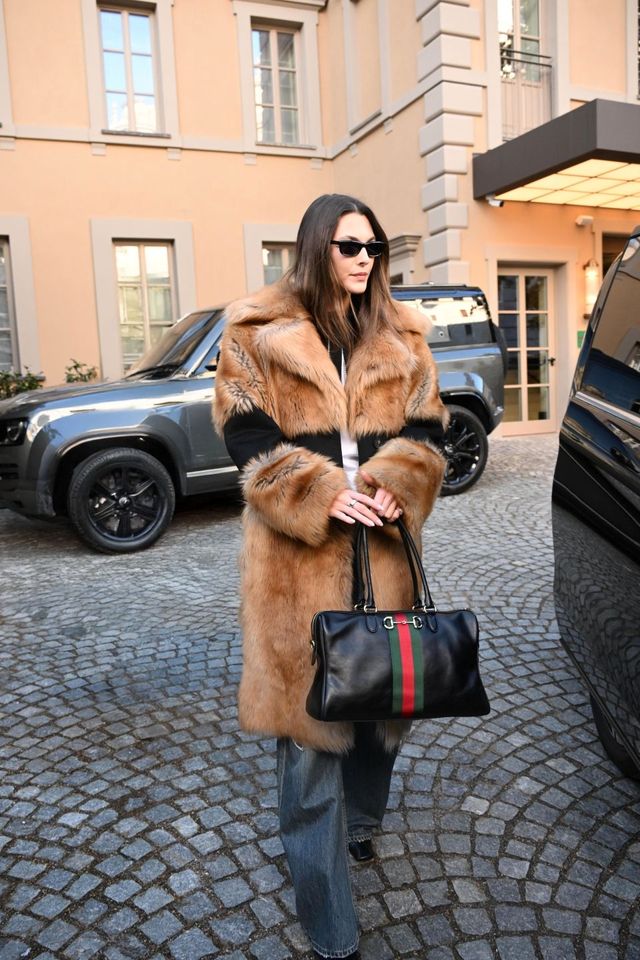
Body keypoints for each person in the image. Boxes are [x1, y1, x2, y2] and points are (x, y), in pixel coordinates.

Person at [214, 194, 448, 959]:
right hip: (297, 570)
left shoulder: (404, 335)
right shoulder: (255, 331)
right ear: (317, 247)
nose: (364, 259)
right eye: (350, 246)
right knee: (310, 741)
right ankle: (331, 923)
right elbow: (243, 428)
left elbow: (428, 425)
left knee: (381, 717)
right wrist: (315, 490)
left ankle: (366, 824)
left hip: (382, 559)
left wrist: (397, 479)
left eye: (374, 247)